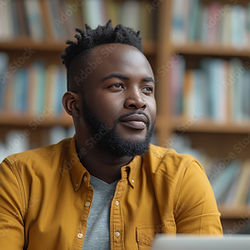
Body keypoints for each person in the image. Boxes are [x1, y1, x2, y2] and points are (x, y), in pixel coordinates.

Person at [0, 21, 222, 250]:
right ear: (73, 105)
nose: (138, 101)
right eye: (117, 86)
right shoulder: (19, 178)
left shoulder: (182, 177)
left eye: (147, 89)